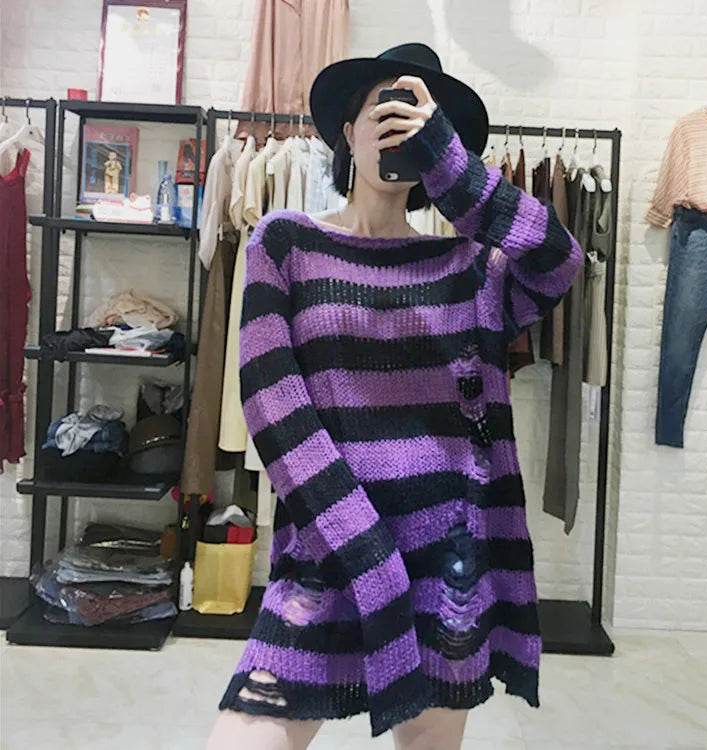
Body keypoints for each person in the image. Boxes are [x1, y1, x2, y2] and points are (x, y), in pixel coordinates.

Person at [207, 43, 584, 750]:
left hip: (448, 563)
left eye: (416, 115)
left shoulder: (470, 268)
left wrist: (453, 171)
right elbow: (270, 400)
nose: (395, 124)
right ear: (347, 132)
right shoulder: (285, 243)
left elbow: (559, 261)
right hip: (333, 550)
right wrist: (364, 544)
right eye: (382, 107)